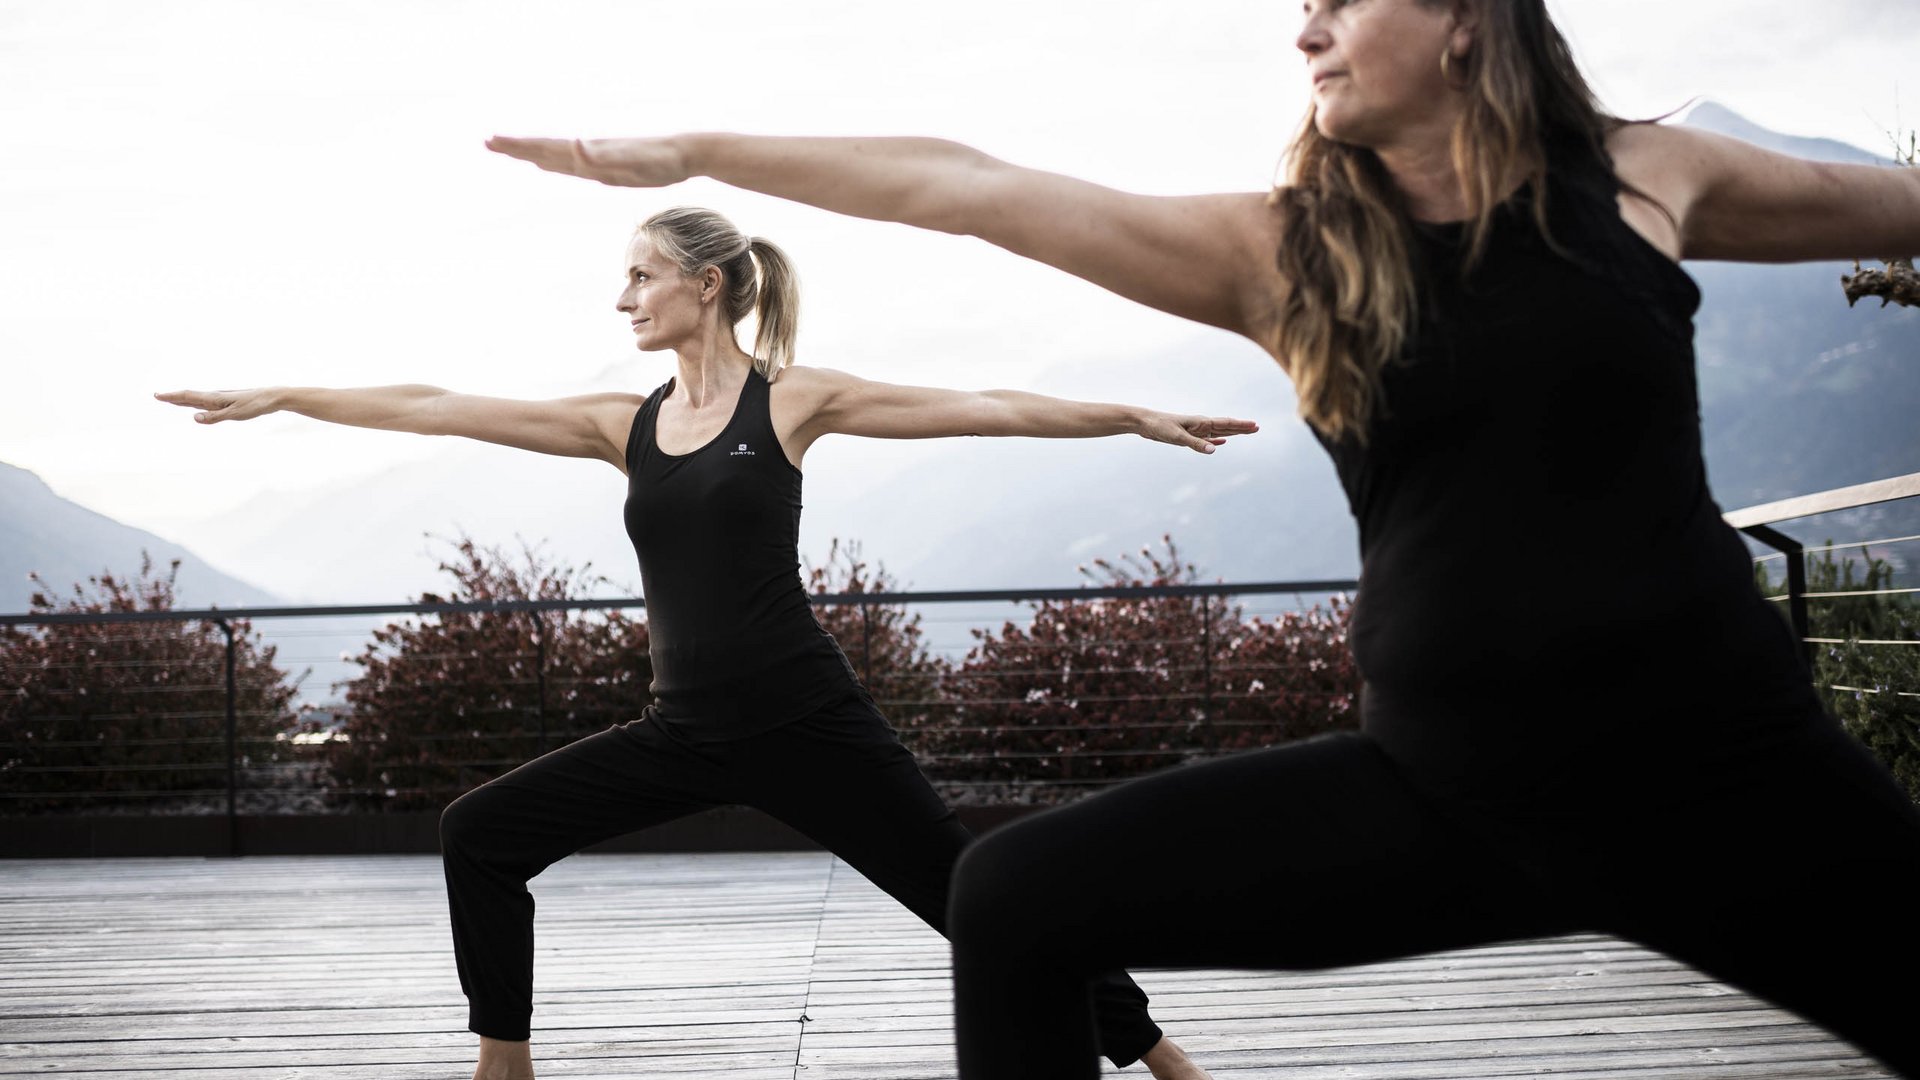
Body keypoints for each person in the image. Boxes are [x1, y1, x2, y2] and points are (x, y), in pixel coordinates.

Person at [484, 1, 1920, 1077]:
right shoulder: (1285, 247)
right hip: (1447, 796)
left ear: (1471, 19)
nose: (1307, 29)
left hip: (1729, 780)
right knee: (1014, 896)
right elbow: (966, 184)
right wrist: (697, 151)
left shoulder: (1650, 176)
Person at [156, 205, 1252, 1080]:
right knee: (480, 833)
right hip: (683, 731)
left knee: (978, 897)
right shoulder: (619, 425)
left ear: (706, 285)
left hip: (809, 721)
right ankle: (505, 1065)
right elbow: (439, 404)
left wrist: (1132, 416)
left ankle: (1161, 1057)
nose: (622, 296)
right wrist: (286, 396)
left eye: (641, 275)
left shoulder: (789, 403)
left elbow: (979, 406)